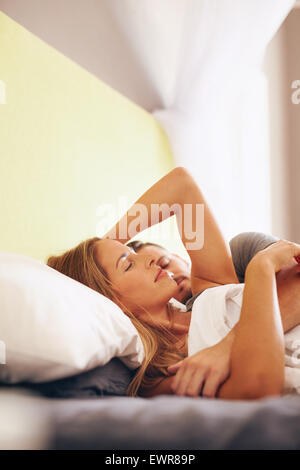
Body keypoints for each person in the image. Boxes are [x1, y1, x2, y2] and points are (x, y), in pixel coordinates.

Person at [47, 167, 300, 399]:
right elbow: (257, 391)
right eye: (128, 263)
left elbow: (181, 187)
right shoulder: (158, 373)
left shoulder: (209, 288)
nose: (148, 258)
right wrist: (261, 268)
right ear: (111, 302)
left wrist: (105, 247)